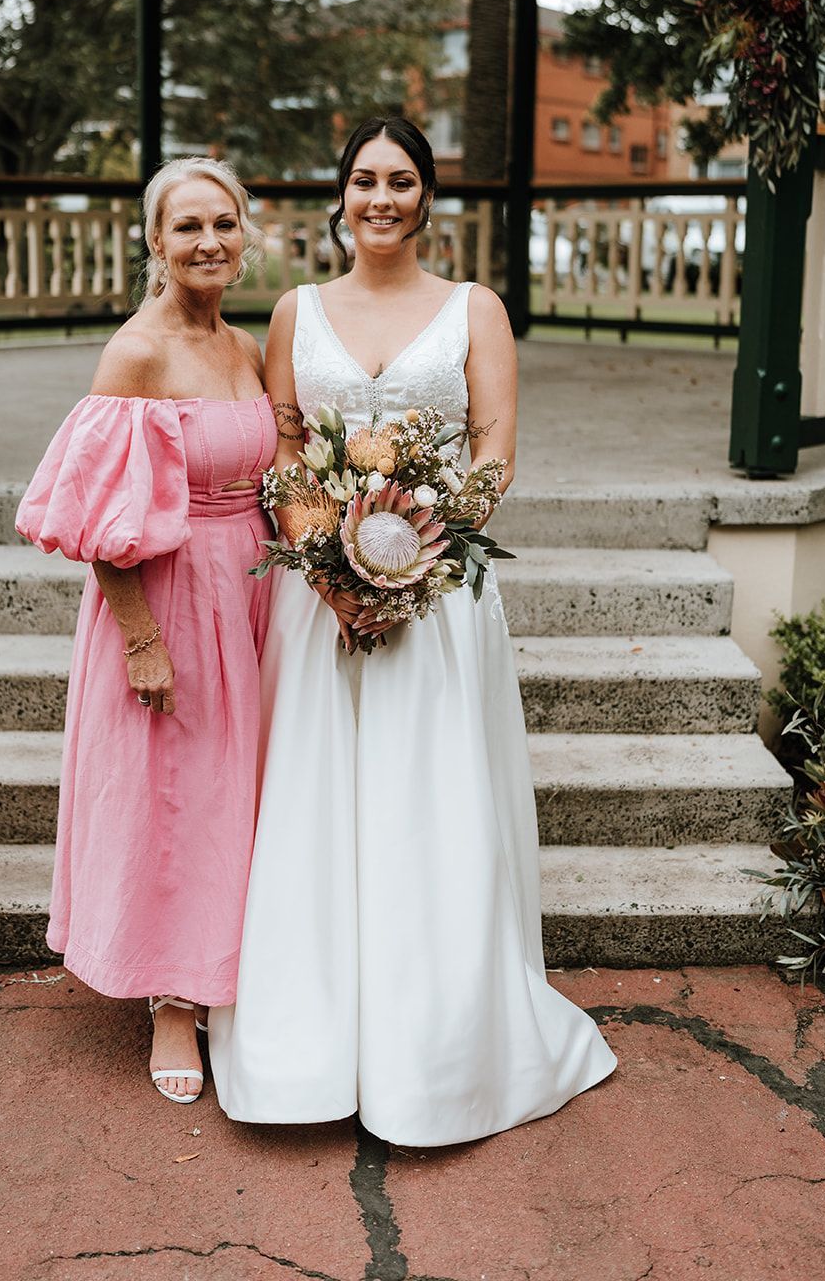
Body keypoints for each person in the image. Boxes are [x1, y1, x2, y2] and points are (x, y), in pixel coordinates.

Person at [209, 118, 616, 1145]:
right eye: (362, 180)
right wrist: (331, 569)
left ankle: (435, 1050)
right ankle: (311, 1042)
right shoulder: (295, 311)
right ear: (338, 197)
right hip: (319, 604)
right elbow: (286, 454)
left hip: (437, 602)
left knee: (426, 804)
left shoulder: (474, 310)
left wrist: (414, 559)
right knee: (319, 806)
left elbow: (492, 454)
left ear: (427, 197)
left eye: (400, 180)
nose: (380, 196)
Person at [15, 157, 276, 1105]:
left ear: (245, 234)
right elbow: (95, 516)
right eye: (187, 227)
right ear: (155, 242)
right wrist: (138, 638)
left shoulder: (244, 346)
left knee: (231, 794)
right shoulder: (136, 354)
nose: (208, 242)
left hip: (250, 590)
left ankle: (227, 969)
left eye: (224, 224)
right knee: (173, 797)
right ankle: (171, 1001)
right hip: (163, 596)